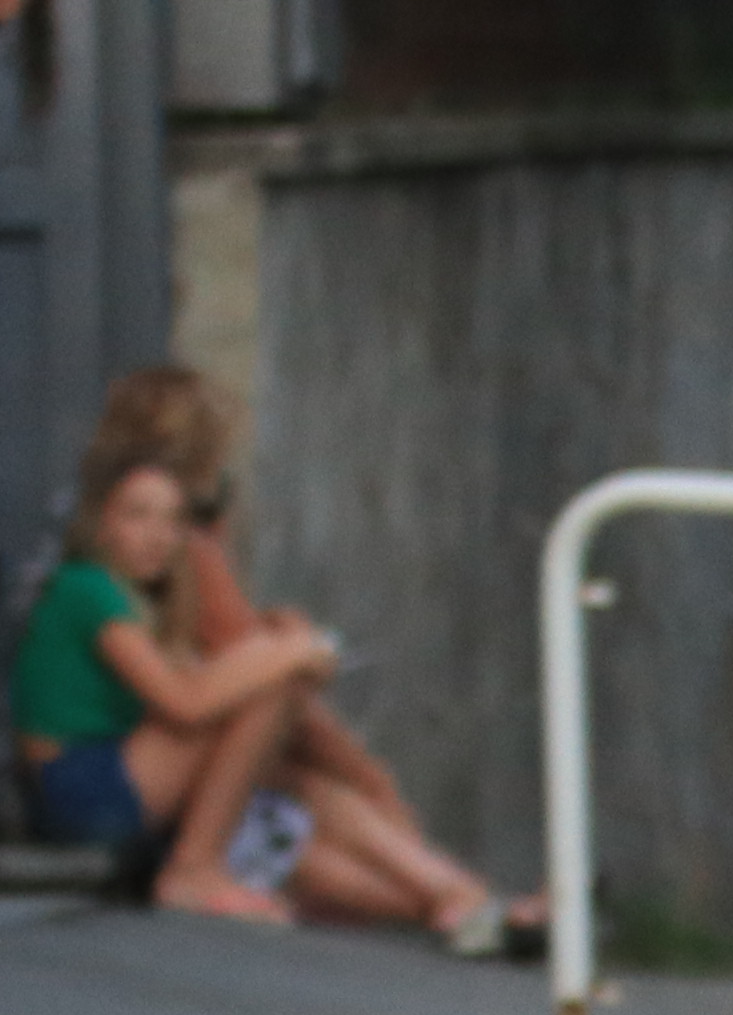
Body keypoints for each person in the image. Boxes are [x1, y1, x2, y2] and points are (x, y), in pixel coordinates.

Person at [76, 367, 536, 952]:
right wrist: (366, 773)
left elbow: (220, 649)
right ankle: (471, 900)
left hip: (153, 790)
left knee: (306, 833)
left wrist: (273, 639)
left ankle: (476, 906)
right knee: (305, 794)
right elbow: (239, 673)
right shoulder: (182, 547)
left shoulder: (113, 549)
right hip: (155, 797)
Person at [11, 447, 329, 921]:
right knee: (270, 687)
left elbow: (196, 685)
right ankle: (193, 871)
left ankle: (447, 902)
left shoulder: (139, 599)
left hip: (111, 783)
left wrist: (278, 646)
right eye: (137, 516)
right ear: (99, 521)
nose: (157, 537)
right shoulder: (88, 588)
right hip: (80, 788)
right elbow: (184, 704)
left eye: (171, 521)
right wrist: (288, 652)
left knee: (316, 838)